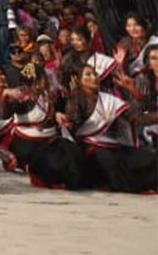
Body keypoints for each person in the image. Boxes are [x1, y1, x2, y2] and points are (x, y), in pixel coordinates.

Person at [62, 61, 158, 192]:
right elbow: (71, 126)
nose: (94, 78)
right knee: (109, 159)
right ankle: (125, 186)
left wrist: (136, 94)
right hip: (88, 146)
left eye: (95, 74)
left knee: (147, 156)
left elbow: (137, 117)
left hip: (110, 143)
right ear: (78, 80)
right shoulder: (76, 98)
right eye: (88, 75)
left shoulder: (108, 99)